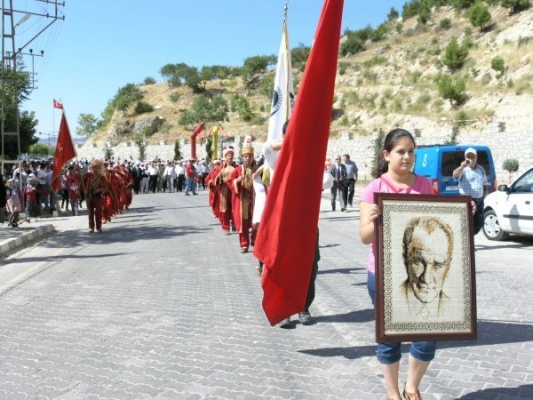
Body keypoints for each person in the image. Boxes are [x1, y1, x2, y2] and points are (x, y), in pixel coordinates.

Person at [359, 128, 435, 400]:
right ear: (387, 155)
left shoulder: (425, 185)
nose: (407, 157)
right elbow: (365, 236)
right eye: (401, 151)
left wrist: (464, 212)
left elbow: (438, 225)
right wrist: (375, 220)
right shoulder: (375, 188)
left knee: (427, 334)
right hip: (382, 274)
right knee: (389, 336)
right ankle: (392, 393)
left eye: (411, 151)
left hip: (421, 274)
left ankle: (412, 387)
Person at [397, 216, 456, 321]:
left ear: (448, 266)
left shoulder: (455, 309)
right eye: (418, 261)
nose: (427, 278)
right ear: (405, 258)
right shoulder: (392, 302)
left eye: (438, 265)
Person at [229, 136, 256, 254]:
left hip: (256, 200)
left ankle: (255, 240)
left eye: (249, 156)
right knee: (243, 223)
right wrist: (237, 181)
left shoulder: (258, 169)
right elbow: (230, 181)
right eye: (245, 156)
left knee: (257, 221)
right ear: (242, 157)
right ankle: (244, 244)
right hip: (242, 199)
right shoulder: (237, 170)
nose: (247, 158)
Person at [453, 147, 489, 235]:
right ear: (465, 158)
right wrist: (462, 166)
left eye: (472, 156)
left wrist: (483, 196)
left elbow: (485, 184)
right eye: (468, 157)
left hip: (479, 201)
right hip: (467, 200)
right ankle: (468, 244)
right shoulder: (463, 169)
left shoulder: (480, 169)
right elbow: (455, 176)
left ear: (476, 157)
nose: (470, 159)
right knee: (466, 223)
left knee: (479, 223)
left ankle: (470, 240)